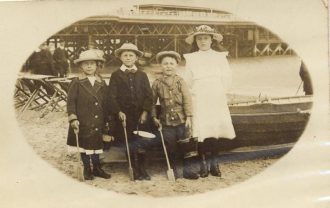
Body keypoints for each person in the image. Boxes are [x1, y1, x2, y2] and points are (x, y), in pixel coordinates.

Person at [183, 25, 236, 178]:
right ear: (196, 41)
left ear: (212, 40)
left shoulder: (220, 57)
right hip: (199, 96)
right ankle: (203, 164)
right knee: (201, 131)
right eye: (199, 38)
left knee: (215, 130)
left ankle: (214, 163)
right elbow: (188, 80)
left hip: (216, 95)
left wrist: (220, 92)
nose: (203, 41)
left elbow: (227, 77)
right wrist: (193, 95)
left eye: (206, 38)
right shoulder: (192, 58)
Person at [108, 43, 153, 180]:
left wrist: (145, 112)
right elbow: (112, 96)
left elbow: (148, 95)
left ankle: (143, 168)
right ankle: (133, 167)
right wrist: (118, 112)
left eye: (131, 55)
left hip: (141, 116)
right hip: (125, 116)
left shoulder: (142, 75)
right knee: (129, 142)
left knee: (142, 142)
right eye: (125, 55)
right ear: (121, 57)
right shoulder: (116, 75)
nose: (128, 58)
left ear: (136, 58)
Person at [66, 49, 112, 180]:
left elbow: (106, 101)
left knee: (96, 144)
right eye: (86, 64)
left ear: (97, 65)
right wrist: (73, 118)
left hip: (98, 119)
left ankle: (97, 168)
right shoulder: (76, 82)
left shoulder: (101, 82)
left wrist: (107, 118)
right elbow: (70, 102)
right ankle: (87, 169)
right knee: (84, 146)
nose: (89, 66)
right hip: (83, 119)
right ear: (81, 66)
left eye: (92, 63)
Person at [151, 51, 198, 179]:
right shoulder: (157, 83)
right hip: (166, 122)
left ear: (176, 65)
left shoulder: (180, 81)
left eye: (171, 63)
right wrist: (154, 117)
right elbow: (152, 102)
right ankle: (176, 171)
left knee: (186, 145)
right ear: (161, 65)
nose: (168, 66)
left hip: (182, 120)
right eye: (165, 63)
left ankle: (189, 171)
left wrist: (189, 117)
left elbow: (187, 99)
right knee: (171, 147)